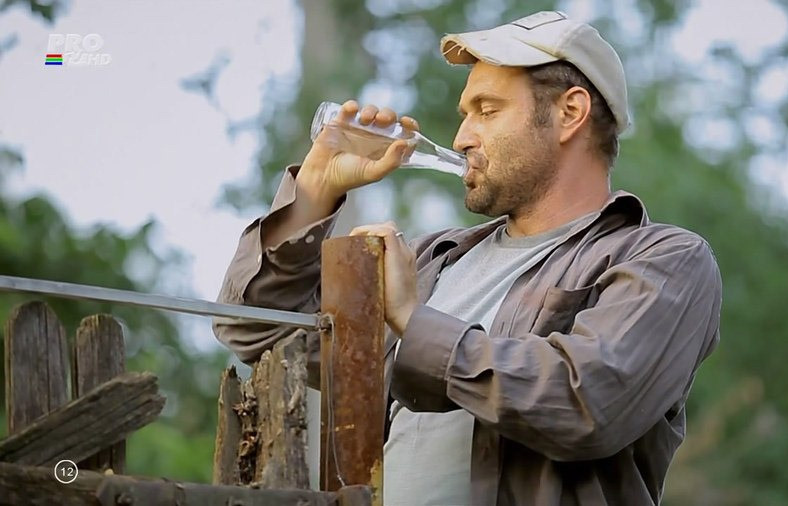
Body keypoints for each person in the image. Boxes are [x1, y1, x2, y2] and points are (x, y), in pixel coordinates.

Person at [213, 10, 722, 506]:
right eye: (465, 115)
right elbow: (257, 333)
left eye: (488, 109)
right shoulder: (436, 263)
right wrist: (313, 195)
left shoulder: (665, 259)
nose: (461, 138)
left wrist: (414, 324)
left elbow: (587, 402)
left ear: (570, 112)